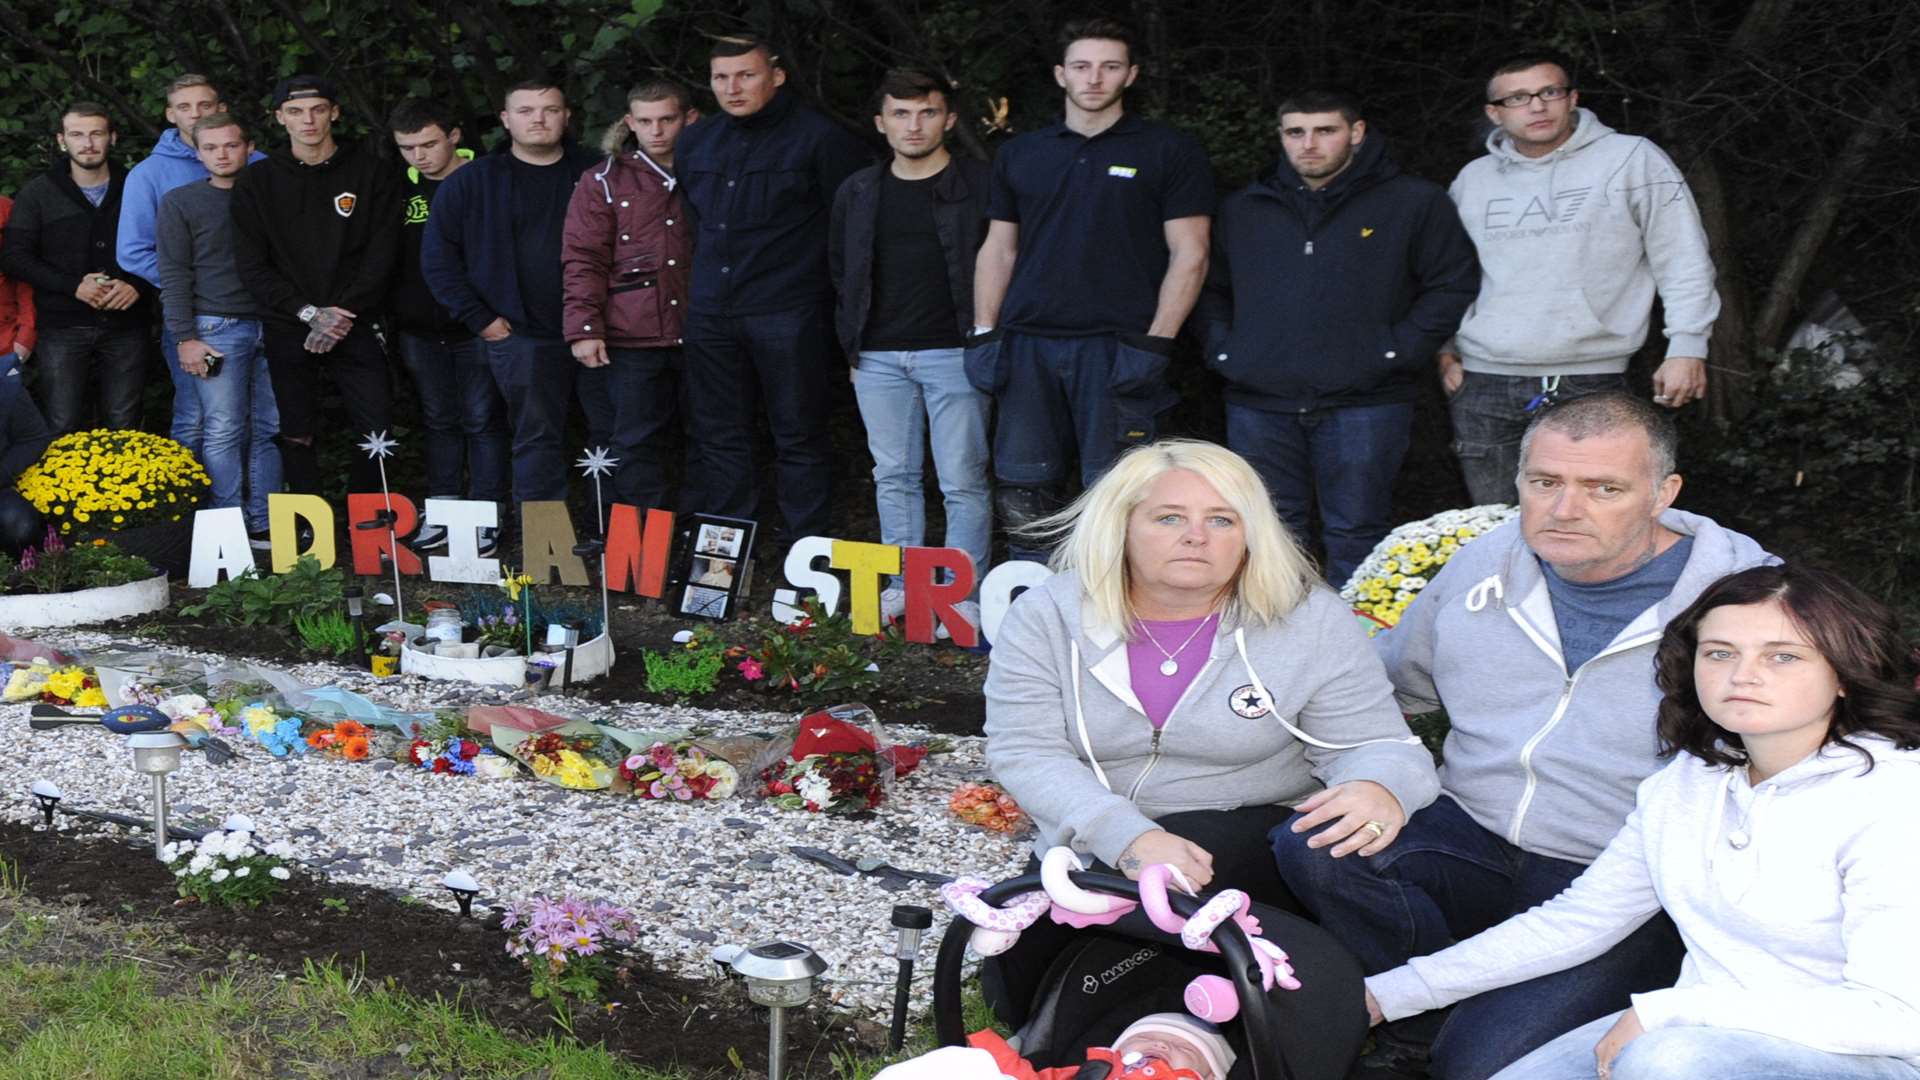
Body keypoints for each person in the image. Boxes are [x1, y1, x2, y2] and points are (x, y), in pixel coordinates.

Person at [1271, 391, 1773, 1080]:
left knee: (1483, 1065)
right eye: (1545, 482)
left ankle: (1461, 1019)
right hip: (1473, 835)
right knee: (1319, 841)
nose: (1565, 509)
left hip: (1622, 879)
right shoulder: (1486, 562)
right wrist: (1378, 778)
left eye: (1604, 488)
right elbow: (1388, 691)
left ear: (1663, 493)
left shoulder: (1744, 603)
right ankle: (1431, 1011)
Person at [1366, 563, 1920, 1080]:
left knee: (1669, 1059)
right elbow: (1579, 920)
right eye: (1720, 653)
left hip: (1870, 1054)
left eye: (1783, 657)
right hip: (1696, 1031)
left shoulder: (1894, 800)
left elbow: (1898, 1015)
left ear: (1845, 673)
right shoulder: (1689, 781)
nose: (1743, 675)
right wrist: (1384, 995)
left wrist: (1677, 1012)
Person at [984, 438, 1438, 1026]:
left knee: (1166, 959)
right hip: (1102, 837)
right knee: (1016, 988)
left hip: (1253, 834)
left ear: (1251, 534)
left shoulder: (1306, 617)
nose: (1195, 536)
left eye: (1221, 519)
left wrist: (1380, 785)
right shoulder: (1047, 614)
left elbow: (1374, 743)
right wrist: (1125, 836)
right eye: (1168, 517)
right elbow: (1025, 750)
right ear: (1119, 527)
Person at [1197, 87, 1478, 588]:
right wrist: (1226, 351)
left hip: (1367, 402)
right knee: (1269, 536)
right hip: (1260, 404)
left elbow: (1451, 282)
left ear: (1357, 132)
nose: (1309, 144)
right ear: (1280, 136)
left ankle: (1357, 652)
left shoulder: (1412, 202)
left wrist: (1397, 349)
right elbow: (1211, 287)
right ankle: (1279, 652)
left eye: (1325, 130)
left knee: (1357, 535)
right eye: (1295, 132)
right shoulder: (1245, 207)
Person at [968, 19, 1213, 559]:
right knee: (1023, 488)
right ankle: (1031, 607)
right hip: (1028, 343)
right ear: (1061, 75)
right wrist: (985, 331)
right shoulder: (1022, 153)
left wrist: (1156, 342)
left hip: (1119, 345)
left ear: (1131, 74)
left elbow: (1190, 253)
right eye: (1081, 66)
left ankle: (1118, 615)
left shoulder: (1168, 150)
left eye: (1109, 66)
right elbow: (998, 248)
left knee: (1122, 491)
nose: (1094, 78)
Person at [1441, 50, 1719, 506]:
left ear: (1572, 98)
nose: (1536, 106)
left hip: (1591, 376)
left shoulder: (1632, 159)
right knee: (1492, 531)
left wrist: (1687, 345)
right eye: (1518, 98)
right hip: (1486, 380)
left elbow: (1683, 257)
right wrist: (1445, 352)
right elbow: (1446, 273)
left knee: (1592, 523)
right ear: (1494, 114)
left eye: (1549, 92)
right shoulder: (1474, 179)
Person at [676, 34, 873, 548]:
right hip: (712, 311)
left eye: (746, 75)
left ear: (777, 76)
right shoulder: (697, 141)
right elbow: (697, 223)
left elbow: (850, 230)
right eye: (721, 77)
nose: (733, 87)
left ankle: (803, 559)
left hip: (789, 311)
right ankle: (722, 567)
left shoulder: (821, 138)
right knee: (718, 437)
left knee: (800, 436)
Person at [829, 69, 993, 625]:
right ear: (881, 123)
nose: (914, 125)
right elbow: (842, 272)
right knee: (892, 475)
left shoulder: (980, 185)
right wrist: (853, 350)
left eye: (926, 112)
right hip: (876, 357)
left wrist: (989, 342)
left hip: (956, 353)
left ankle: (959, 594)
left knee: (962, 479)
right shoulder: (859, 189)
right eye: (901, 113)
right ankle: (903, 585)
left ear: (948, 119)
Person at [422, 78, 602, 514]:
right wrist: (480, 319)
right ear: (505, 120)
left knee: (617, 434)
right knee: (535, 438)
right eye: (525, 111)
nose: (538, 119)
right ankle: (545, 550)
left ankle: (619, 543)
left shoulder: (599, 171)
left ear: (567, 116)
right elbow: (437, 260)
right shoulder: (473, 181)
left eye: (549, 109)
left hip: (601, 329)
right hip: (520, 334)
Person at [230, 75, 400, 501]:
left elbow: (383, 254)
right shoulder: (257, 181)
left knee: (375, 423)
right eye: (295, 112)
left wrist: (342, 312)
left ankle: (369, 518)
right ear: (279, 118)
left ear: (334, 113)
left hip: (355, 320)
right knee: (296, 428)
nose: (308, 120)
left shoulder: (371, 172)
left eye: (318, 109)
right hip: (289, 323)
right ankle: (310, 526)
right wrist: (309, 314)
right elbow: (252, 265)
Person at [561, 80, 698, 515]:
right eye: (645, 121)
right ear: (629, 123)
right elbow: (583, 257)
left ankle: (707, 555)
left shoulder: (714, 169)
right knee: (635, 441)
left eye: (667, 119)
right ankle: (644, 551)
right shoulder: (602, 180)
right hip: (632, 335)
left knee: (715, 436)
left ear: (688, 118)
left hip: (708, 329)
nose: (656, 130)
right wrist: (585, 328)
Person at [155, 113, 282, 549]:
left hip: (276, 322)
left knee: (270, 426)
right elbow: (173, 273)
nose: (222, 154)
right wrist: (185, 337)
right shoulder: (181, 201)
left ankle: (264, 523)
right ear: (197, 152)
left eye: (230, 145)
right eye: (211, 148)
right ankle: (226, 527)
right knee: (223, 428)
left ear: (248, 146)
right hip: (215, 326)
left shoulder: (270, 194)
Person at [117, 74, 260, 455]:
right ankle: (190, 509)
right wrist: (196, 290)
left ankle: (253, 510)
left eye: (205, 105)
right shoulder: (150, 173)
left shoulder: (258, 164)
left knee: (261, 420)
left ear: (222, 109)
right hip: (195, 316)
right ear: (170, 114)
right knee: (197, 415)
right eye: (184, 107)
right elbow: (132, 251)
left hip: (261, 312)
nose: (195, 114)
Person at [388, 97, 506, 552]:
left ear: (454, 136)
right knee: (438, 421)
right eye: (407, 147)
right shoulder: (399, 188)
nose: (419, 155)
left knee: (482, 420)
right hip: (419, 328)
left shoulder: (489, 178)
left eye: (428, 144)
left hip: (480, 326)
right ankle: (443, 512)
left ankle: (486, 519)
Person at [0, 102, 149, 436]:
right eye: (77, 135)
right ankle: (60, 490)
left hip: (128, 322)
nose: (88, 143)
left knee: (125, 422)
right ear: (61, 140)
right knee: (61, 422)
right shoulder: (38, 192)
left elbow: (165, 245)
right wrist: (72, 286)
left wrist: (138, 283)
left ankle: (125, 488)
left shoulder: (137, 186)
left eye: (96, 133)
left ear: (112, 137)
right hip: (62, 325)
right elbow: (15, 257)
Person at [877, 1011, 1238, 1080]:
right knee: (960, 1066)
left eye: (1187, 1049)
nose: (1159, 1043)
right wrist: (993, 1058)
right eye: (1142, 1039)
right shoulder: (1091, 1072)